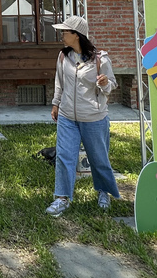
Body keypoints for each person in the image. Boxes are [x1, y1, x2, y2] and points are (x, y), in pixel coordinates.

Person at [46, 15, 120, 217]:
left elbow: (111, 85)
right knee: (64, 157)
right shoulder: (63, 57)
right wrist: (55, 103)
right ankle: (62, 198)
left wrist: (105, 83)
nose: (62, 35)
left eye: (65, 32)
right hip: (67, 117)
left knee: (99, 158)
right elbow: (59, 82)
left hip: (94, 117)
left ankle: (104, 192)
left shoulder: (100, 59)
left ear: (76, 35)